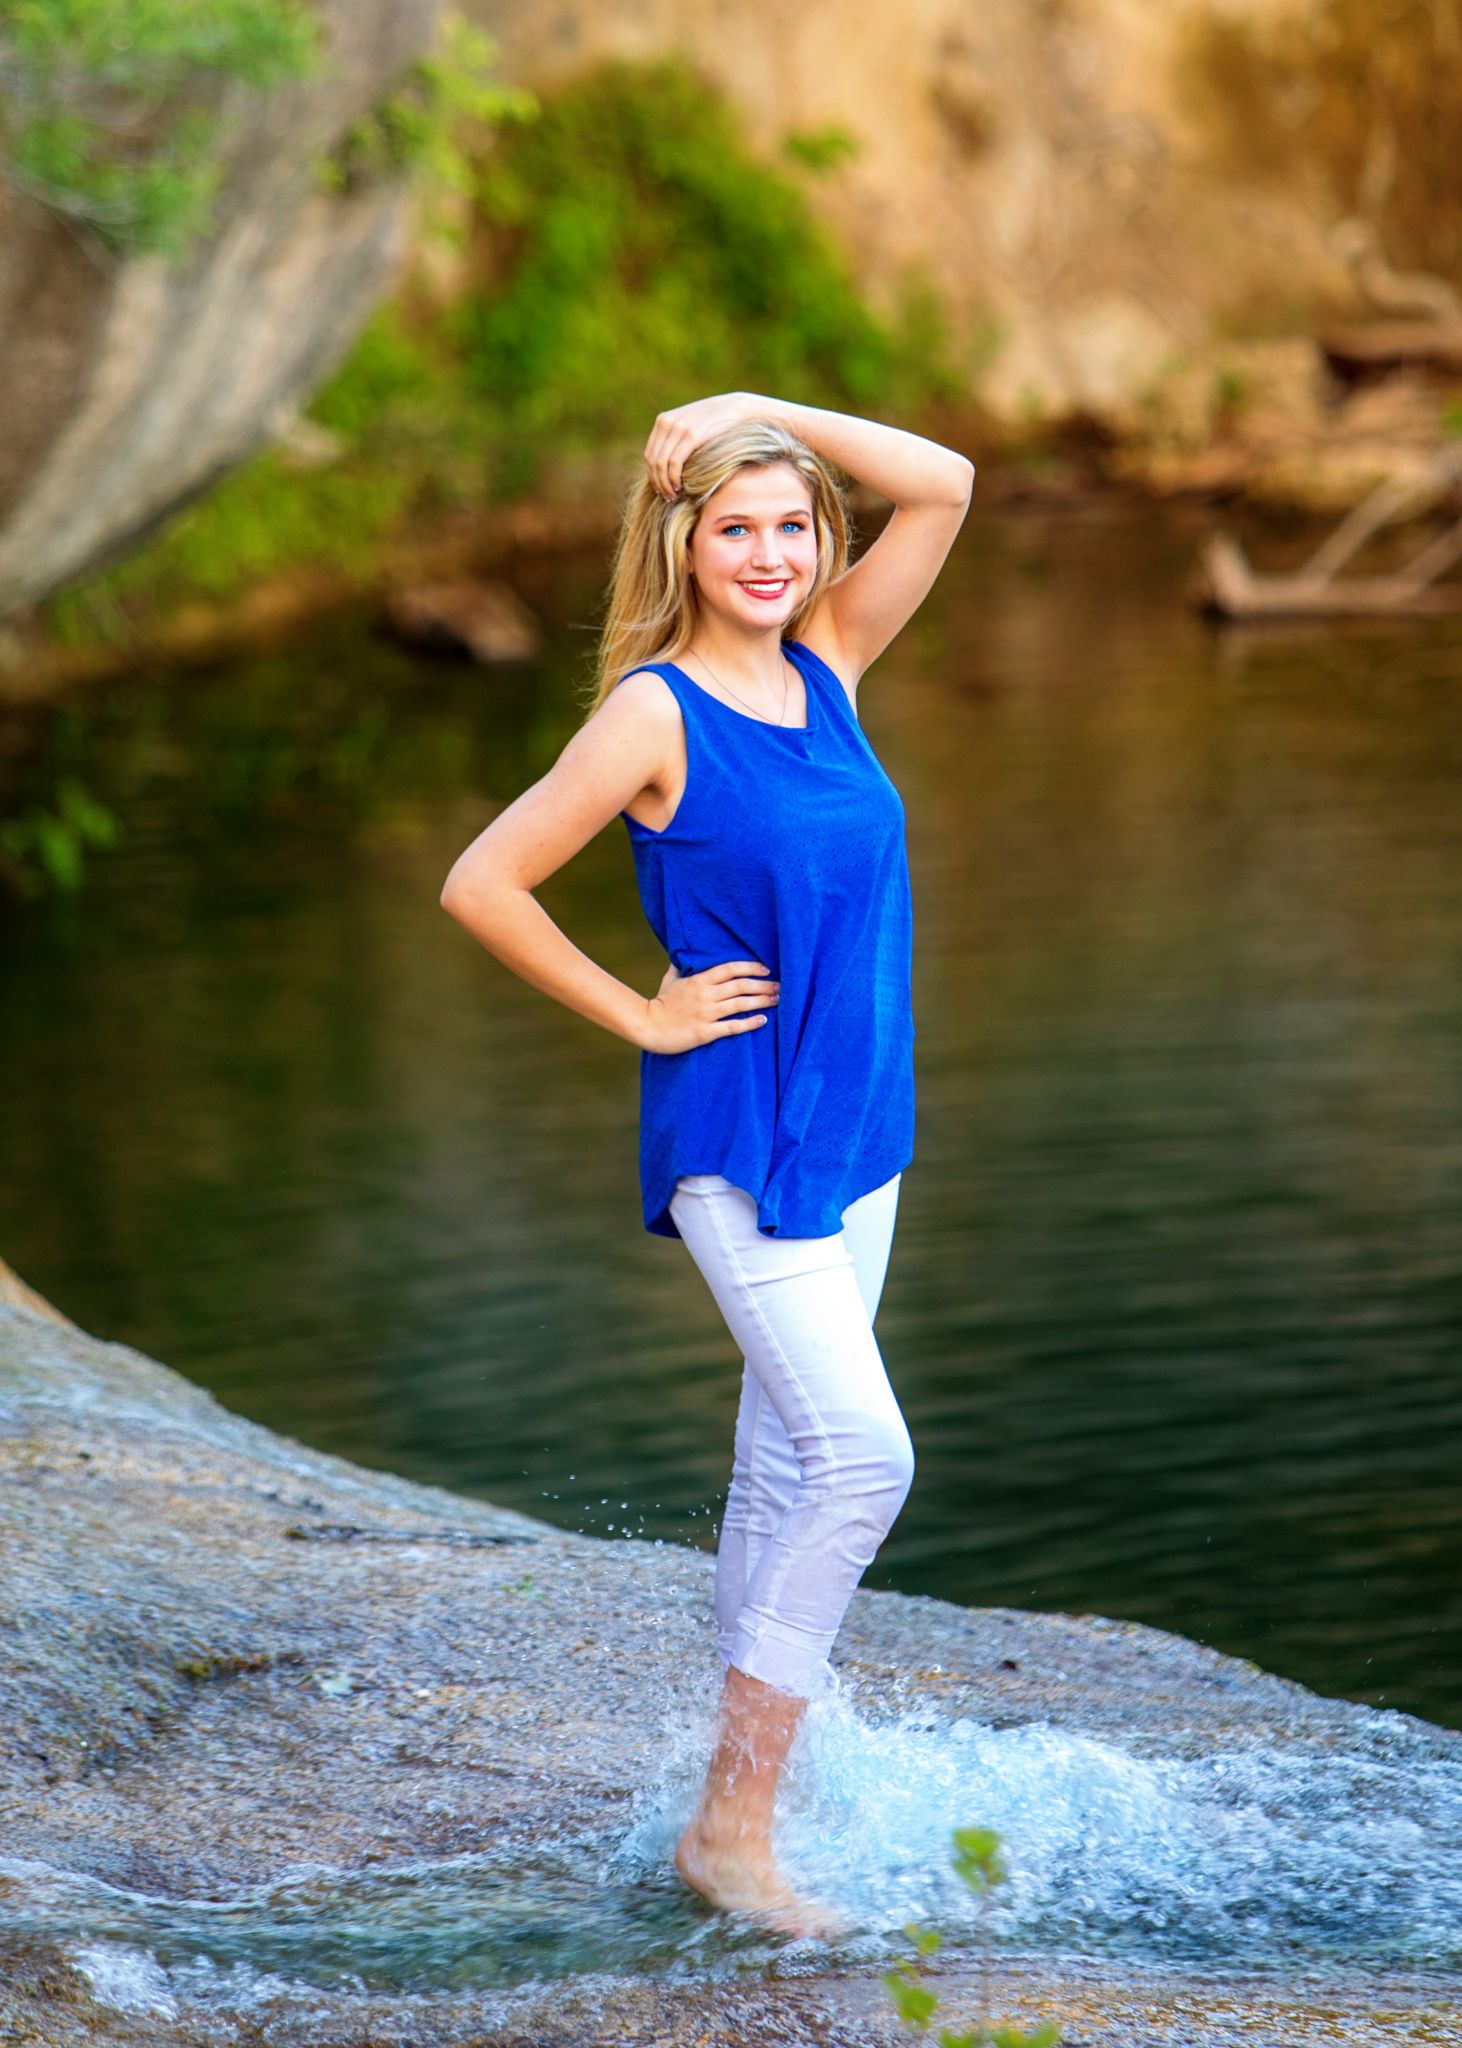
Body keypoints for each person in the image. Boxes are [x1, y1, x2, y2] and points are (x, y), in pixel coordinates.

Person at [440, 390, 973, 1938]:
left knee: (782, 1463)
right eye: (731, 524)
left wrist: (753, 410)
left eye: (788, 525)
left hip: (859, 1135)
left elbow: (940, 483)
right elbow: (484, 880)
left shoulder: (833, 668)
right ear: (682, 542)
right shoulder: (652, 713)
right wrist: (639, 1013)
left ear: (818, 548)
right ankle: (729, 1833)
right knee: (865, 1460)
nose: (763, 551)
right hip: (739, 1144)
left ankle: (735, 1798)